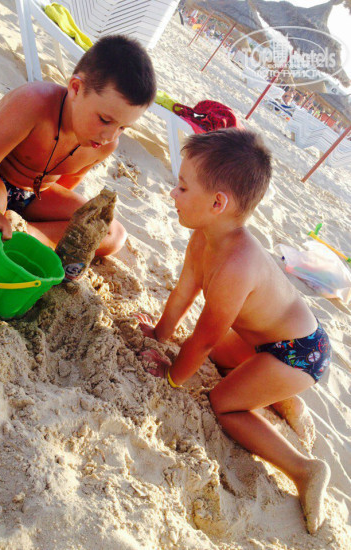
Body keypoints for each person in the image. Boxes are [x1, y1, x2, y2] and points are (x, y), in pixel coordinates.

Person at [137, 129, 331, 535]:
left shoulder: (236, 265)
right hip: (264, 343)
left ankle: (304, 469)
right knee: (218, 358)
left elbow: (204, 339)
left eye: (182, 186)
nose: (173, 193)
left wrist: (172, 377)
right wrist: (159, 334)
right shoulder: (203, 237)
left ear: (217, 203)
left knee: (223, 402)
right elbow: (183, 292)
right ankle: (283, 398)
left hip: (299, 353)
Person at [0, 35, 156, 364]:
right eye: (105, 120)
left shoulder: (103, 143)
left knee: (110, 231)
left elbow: (64, 183)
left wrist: (34, 222)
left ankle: (20, 235)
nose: (111, 135)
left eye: (124, 128)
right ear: (76, 88)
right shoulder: (34, 103)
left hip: (32, 194)